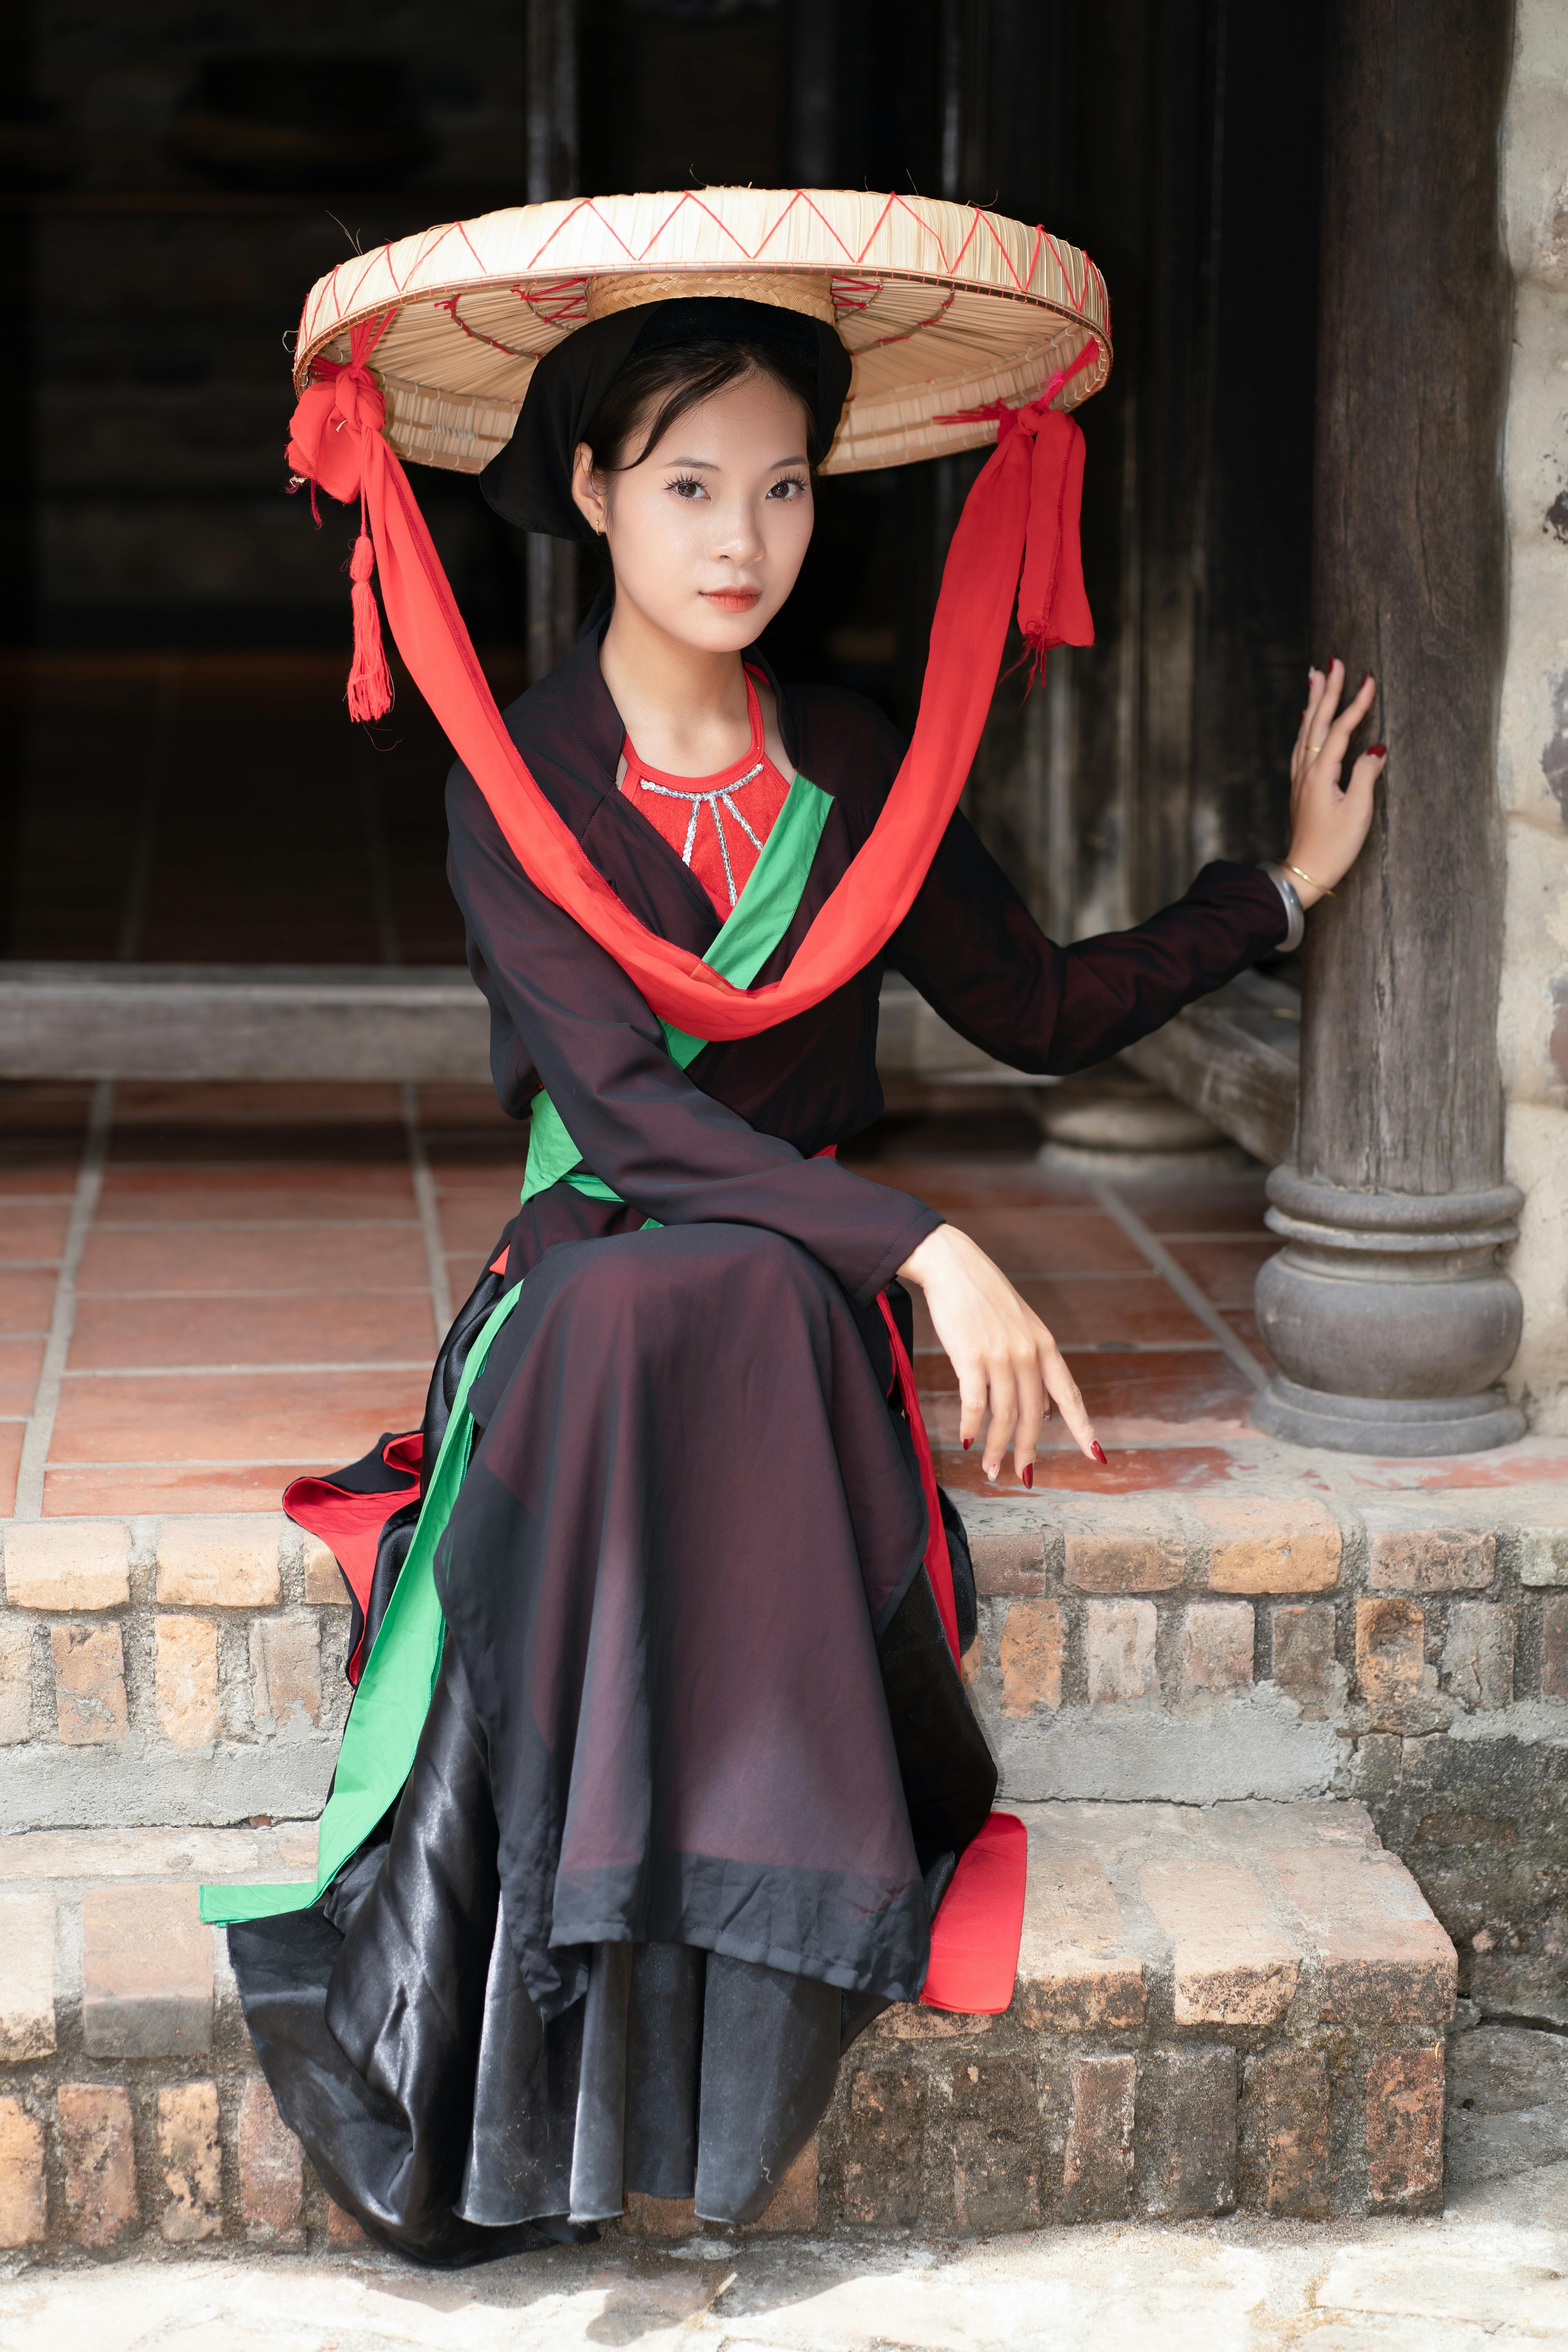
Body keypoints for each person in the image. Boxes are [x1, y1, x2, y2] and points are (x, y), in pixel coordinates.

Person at [206, 227, 1384, 2268]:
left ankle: (727, 1987)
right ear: (588, 493)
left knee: (746, 1289)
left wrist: (1270, 894)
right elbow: (636, 1116)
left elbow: (1031, 1006)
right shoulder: (521, 778)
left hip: (772, 1295)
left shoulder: (852, 755)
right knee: (673, 1287)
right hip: (596, 1258)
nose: (740, 536)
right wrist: (923, 1240)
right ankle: (553, 2015)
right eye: (686, 486)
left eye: (782, 485)